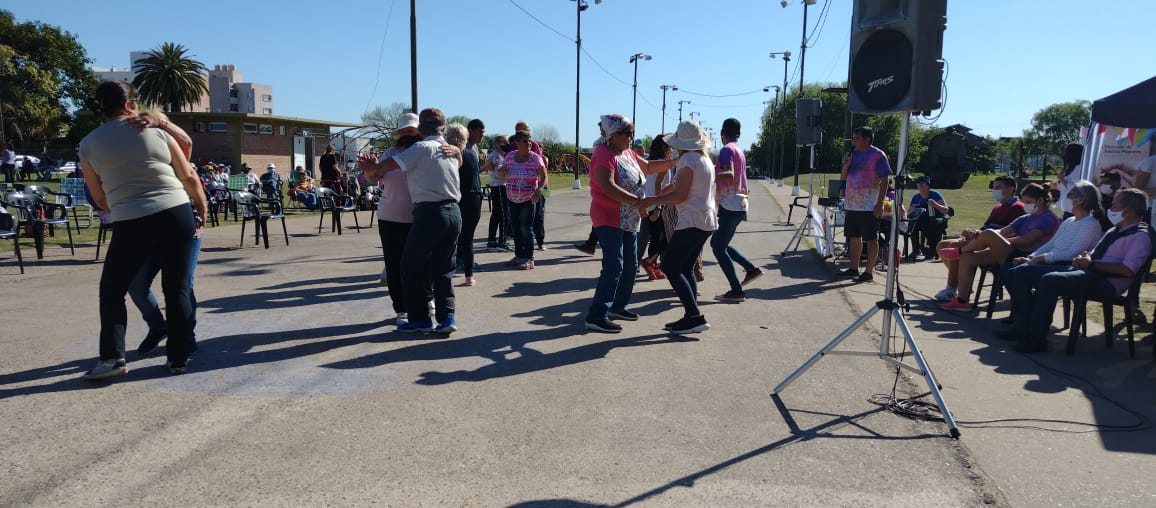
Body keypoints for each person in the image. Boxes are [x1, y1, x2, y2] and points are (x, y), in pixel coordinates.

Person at [77, 81, 208, 379]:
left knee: (112, 289)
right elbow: (187, 174)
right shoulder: (155, 132)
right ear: (130, 104)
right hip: (175, 211)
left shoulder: (88, 143)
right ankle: (178, 357)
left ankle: (112, 358)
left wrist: (122, 206)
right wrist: (200, 209)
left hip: (130, 218)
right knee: (176, 288)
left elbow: (98, 196)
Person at [1001, 189, 1150, 353]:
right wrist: (1086, 258)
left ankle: (1036, 339)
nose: (1110, 208)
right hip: (1089, 272)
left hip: (1105, 281)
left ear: (1127, 211)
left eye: (1114, 205)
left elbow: (1128, 270)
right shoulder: (1115, 230)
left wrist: (1091, 265)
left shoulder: (1140, 237)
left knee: (1050, 280)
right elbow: (1096, 255)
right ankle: (1022, 327)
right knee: (1022, 271)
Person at [357, 108, 463, 334]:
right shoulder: (447, 149)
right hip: (452, 211)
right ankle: (447, 317)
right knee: (443, 269)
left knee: (409, 266)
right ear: (442, 128)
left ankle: (420, 319)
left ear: (420, 129)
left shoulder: (419, 149)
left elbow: (385, 168)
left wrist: (372, 167)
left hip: (428, 213)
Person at [583, 113, 678, 333]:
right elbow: (607, 186)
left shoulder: (626, 153)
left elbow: (648, 167)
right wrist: (637, 200)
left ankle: (618, 307)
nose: (630, 137)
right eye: (626, 133)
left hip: (629, 218)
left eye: (631, 133)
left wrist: (674, 161)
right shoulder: (603, 153)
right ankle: (596, 315)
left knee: (630, 265)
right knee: (614, 265)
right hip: (609, 217)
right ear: (613, 134)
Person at [639, 121, 718, 334]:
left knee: (670, 266)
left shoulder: (687, 160)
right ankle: (691, 315)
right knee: (685, 267)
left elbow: (680, 195)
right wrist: (664, 192)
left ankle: (694, 315)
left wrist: (651, 201)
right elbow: (680, 186)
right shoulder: (704, 159)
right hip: (705, 220)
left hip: (692, 220)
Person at [1000, 181, 1104, 332]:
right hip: (1051, 261)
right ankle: (1024, 316)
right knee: (1007, 270)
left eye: (1070, 195)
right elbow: (1051, 244)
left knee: (1021, 272)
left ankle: (1022, 324)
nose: (1064, 198)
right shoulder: (1069, 221)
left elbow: (1073, 253)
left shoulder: (1090, 224)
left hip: (1065, 265)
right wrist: (1031, 257)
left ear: (1081, 200)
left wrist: (1042, 259)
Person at [938, 183, 1060, 310]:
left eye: (1028, 202)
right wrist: (979, 234)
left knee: (988, 235)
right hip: (1010, 252)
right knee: (967, 257)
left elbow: (1027, 239)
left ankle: (958, 250)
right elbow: (1001, 232)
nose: (1025, 205)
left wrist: (997, 240)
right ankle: (962, 301)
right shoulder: (1026, 218)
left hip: (1027, 256)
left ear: (1040, 201)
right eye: (1024, 202)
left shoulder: (1048, 218)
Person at [931, 176, 1026, 301]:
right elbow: (986, 227)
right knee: (942, 245)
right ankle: (963, 281)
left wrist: (979, 236)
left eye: (998, 187)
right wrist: (972, 232)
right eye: (994, 187)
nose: (994, 190)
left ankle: (951, 288)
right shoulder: (998, 207)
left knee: (953, 247)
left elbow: (1011, 232)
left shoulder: (1017, 207)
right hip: (981, 241)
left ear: (1011, 189)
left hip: (994, 246)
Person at [372, 112, 425, 325]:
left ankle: (424, 302)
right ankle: (401, 309)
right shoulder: (390, 153)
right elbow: (374, 177)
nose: (406, 134)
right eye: (403, 131)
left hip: (419, 217)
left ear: (419, 132)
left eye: (410, 130)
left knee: (421, 264)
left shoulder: (424, 152)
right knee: (394, 266)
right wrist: (369, 170)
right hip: (390, 216)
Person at [712, 118, 763, 301]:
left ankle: (737, 290)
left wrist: (710, 172)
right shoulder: (739, 150)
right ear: (739, 134)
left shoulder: (726, 150)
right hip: (739, 204)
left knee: (718, 248)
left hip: (730, 204)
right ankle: (750, 269)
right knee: (718, 244)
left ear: (722, 134)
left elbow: (729, 175)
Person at [837, 126, 893, 282]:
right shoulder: (853, 155)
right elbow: (844, 176)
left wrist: (879, 203)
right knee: (854, 237)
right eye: (853, 138)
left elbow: (885, 180)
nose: (853, 141)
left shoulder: (877, 155)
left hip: (869, 204)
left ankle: (868, 272)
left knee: (871, 238)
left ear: (867, 139)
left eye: (857, 138)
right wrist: (846, 165)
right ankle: (853, 268)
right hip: (852, 203)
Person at [496, 130, 547, 270]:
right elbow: (503, 171)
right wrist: (502, 171)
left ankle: (529, 258)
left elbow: (544, 176)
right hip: (512, 198)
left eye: (530, 140)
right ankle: (519, 256)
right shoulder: (510, 156)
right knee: (516, 228)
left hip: (528, 198)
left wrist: (538, 190)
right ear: (517, 143)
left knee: (526, 228)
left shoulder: (535, 158)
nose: (529, 143)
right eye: (525, 141)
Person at [452, 120, 484, 286]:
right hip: (470, 197)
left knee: (461, 236)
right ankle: (467, 272)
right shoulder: (466, 151)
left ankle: (462, 266)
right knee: (465, 237)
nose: (482, 135)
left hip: (469, 197)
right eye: (480, 131)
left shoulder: (468, 151)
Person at [638, 135, 673, 281]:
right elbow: (659, 186)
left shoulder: (650, 163)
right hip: (657, 207)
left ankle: (652, 265)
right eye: (670, 147)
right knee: (663, 241)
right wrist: (659, 206)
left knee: (653, 239)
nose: (671, 150)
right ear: (664, 148)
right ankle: (649, 262)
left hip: (649, 205)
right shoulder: (663, 165)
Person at [907, 175, 950, 259]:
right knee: (912, 226)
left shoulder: (935, 195)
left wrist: (935, 204)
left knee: (930, 226)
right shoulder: (916, 197)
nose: (920, 186)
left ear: (928, 186)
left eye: (922, 184)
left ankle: (932, 249)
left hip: (935, 220)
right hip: (920, 220)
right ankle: (916, 249)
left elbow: (946, 210)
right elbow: (909, 213)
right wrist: (913, 209)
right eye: (918, 184)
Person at [483, 134, 511, 251]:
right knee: (503, 214)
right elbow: (500, 173)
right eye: (504, 142)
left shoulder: (504, 155)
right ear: (498, 144)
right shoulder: (495, 156)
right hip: (499, 186)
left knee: (497, 213)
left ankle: (492, 240)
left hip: (502, 185)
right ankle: (501, 241)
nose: (507, 145)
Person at [1051, 143, 1084, 220]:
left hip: (1072, 210)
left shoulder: (1079, 168)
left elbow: (1076, 189)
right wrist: (1057, 187)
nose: (1064, 154)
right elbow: (1067, 189)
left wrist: (1062, 179)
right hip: (1065, 208)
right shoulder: (1072, 168)